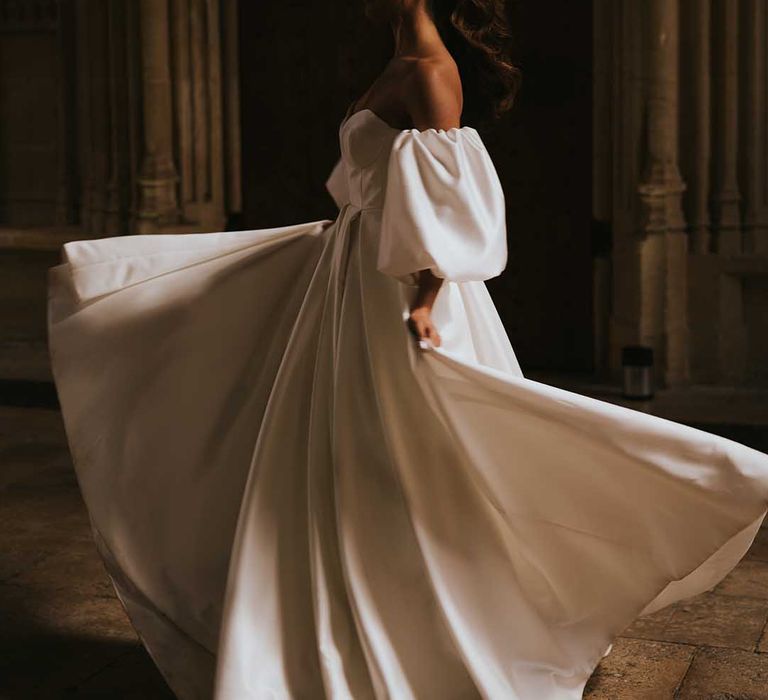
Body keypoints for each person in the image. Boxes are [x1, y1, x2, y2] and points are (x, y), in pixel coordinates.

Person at [47, 1, 768, 698]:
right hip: (350, 269)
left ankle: (437, 628)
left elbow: (453, 197)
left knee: (408, 459)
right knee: (337, 454)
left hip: (394, 289)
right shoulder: (398, 61)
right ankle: (332, 623)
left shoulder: (430, 69)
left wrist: (424, 300)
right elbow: (377, 185)